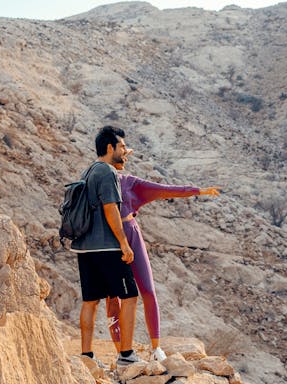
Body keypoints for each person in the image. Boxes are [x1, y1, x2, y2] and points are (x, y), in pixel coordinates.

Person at [105, 152, 220, 361]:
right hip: (107, 240)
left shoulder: (129, 181)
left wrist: (198, 191)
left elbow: (164, 190)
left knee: (148, 290)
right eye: (122, 149)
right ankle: (121, 353)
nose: (126, 155)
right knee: (113, 298)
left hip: (130, 234)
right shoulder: (96, 181)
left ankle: (156, 348)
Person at [70, 126, 141, 366]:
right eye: (121, 146)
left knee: (90, 301)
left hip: (84, 247)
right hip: (107, 248)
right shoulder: (107, 173)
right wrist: (124, 243)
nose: (124, 150)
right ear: (110, 148)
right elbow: (111, 210)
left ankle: (87, 356)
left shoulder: (88, 171)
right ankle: (127, 355)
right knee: (130, 296)